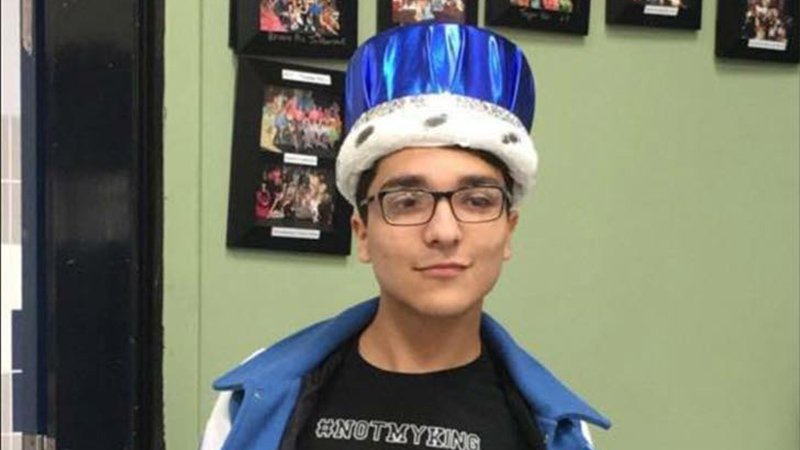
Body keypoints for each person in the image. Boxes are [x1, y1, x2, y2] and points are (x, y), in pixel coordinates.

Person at [200, 22, 610, 450]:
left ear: (508, 231)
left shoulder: (555, 429)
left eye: (477, 200)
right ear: (362, 233)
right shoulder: (255, 403)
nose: (444, 232)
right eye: (408, 201)